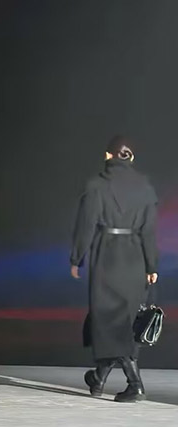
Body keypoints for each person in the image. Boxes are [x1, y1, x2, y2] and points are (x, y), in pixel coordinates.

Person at [70, 136, 159, 403]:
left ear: (108, 156)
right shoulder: (145, 188)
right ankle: (98, 378)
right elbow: (150, 231)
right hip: (135, 258)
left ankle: (135, 385)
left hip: (107, 257)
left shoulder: (97, 185)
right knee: (121, 321)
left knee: (109, 321)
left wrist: (77, 258)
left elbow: (86, 224)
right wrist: (151, 265)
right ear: (131, 158)